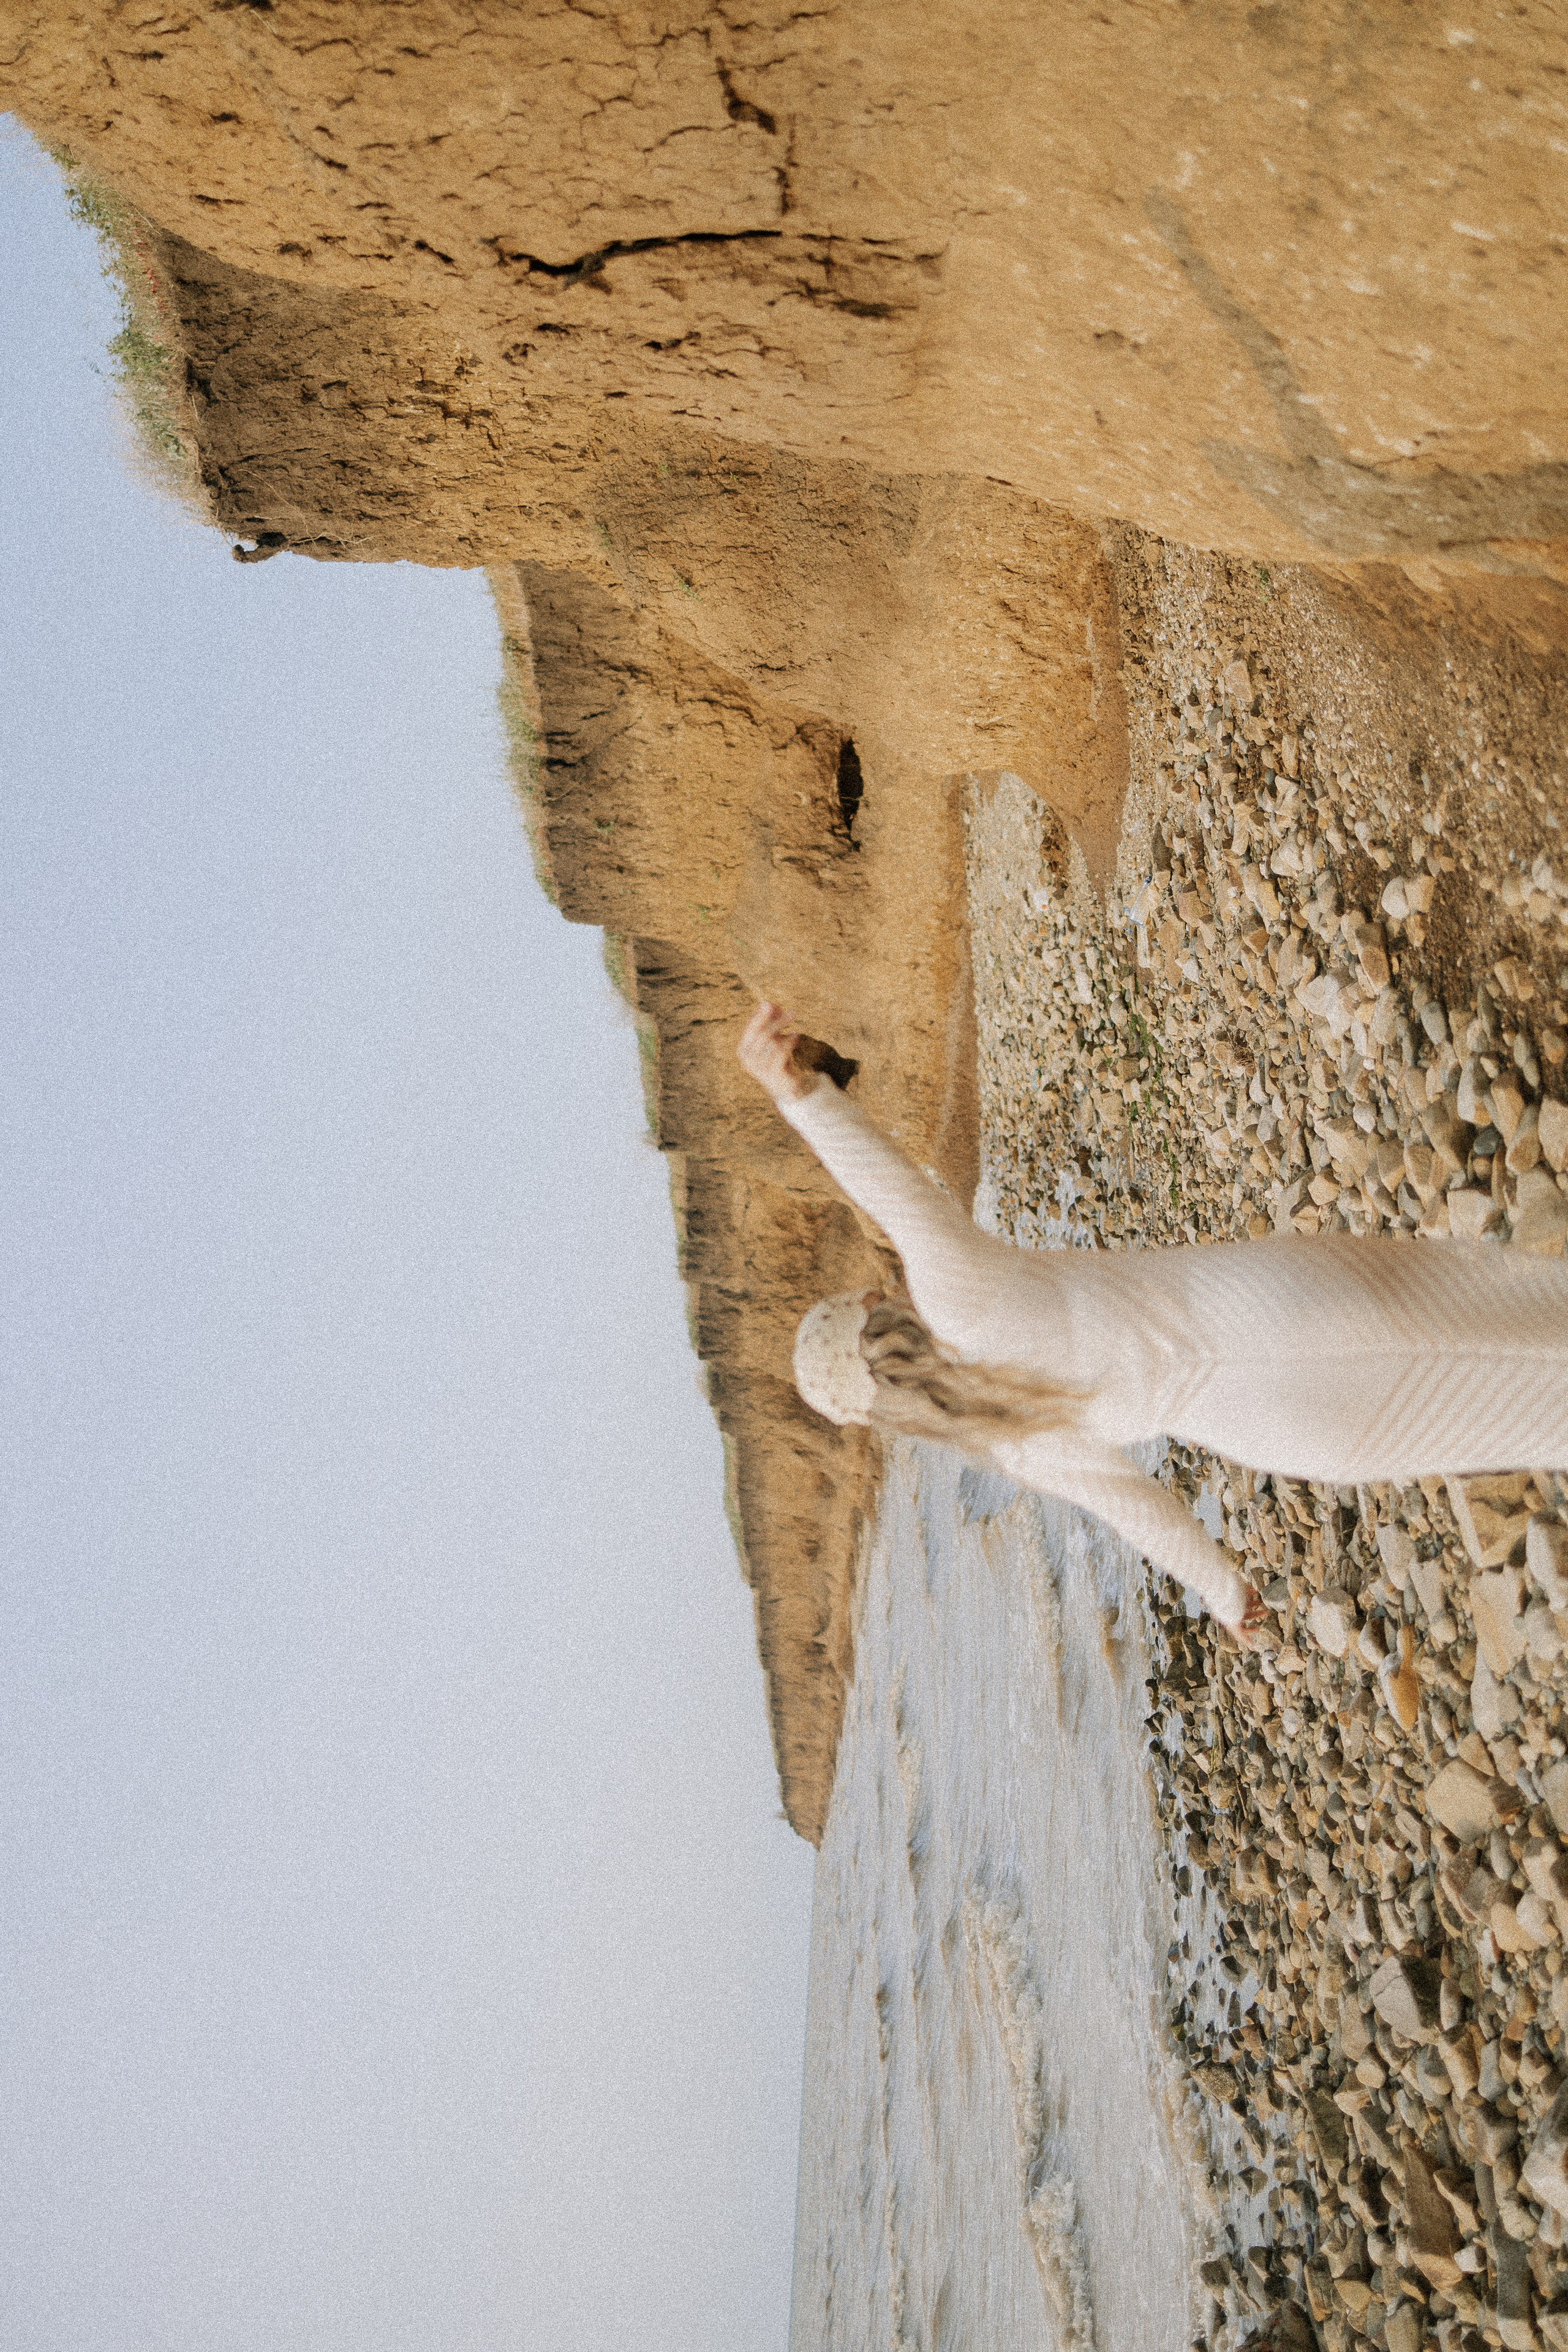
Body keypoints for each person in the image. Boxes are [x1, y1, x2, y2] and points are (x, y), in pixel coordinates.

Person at [737, 1001, 1568, 1637]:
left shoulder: (1007, 1439)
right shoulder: (961, 1297)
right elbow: (896, 1195)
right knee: (1514, 1308)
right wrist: (800, 1096)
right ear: (873, 1305)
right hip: (1269, 1302)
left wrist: (1227, 1593)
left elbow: (1139, 1510)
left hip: (1289, 1428)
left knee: (1528, 1420)